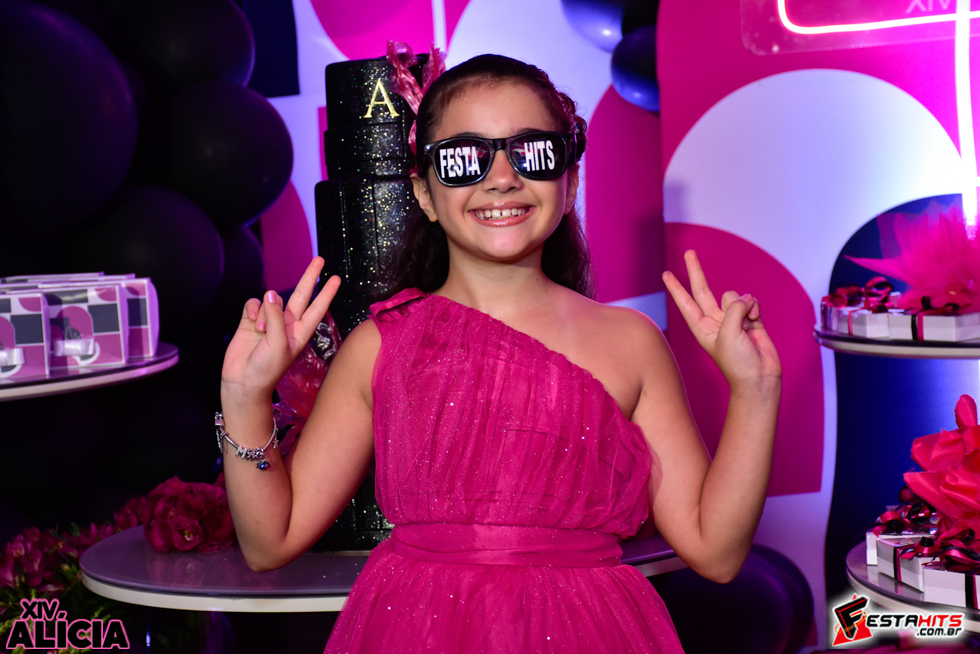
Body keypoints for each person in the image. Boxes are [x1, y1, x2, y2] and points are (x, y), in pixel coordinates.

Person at [219, 54, 781, 653]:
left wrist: (756, 390)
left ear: (570, 181)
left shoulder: (632, 342)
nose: (502, 178)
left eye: (531, 152)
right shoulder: (380, 346)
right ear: (424, 193)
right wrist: (245, 395)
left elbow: (716, 553)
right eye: (464, 159)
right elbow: (269, 542)